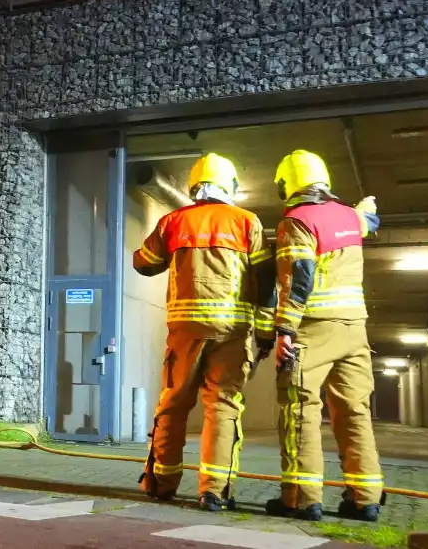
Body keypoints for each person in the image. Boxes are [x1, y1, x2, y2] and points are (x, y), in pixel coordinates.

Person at [133, 153, 277, 512]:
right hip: (232, 331)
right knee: (224, 407)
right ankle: (214, 491)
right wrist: (264, 332)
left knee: (173, 404)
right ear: (230, 186)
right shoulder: (247, 222)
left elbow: (144, 263)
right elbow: (265, 279)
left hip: (186, 331)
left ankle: (161, 484)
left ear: (195, 186)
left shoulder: (173, 221)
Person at [266, 149, 384, 523]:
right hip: (354, 329)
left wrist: (283, 330)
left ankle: (302, 499)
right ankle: (365, 498)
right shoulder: (350, 217)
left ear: (287, 184)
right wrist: (365, 209)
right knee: (354, 412)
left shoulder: (297, 222)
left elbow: (298, 277)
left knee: (301, 410)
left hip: (314, 329)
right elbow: (369, 221)